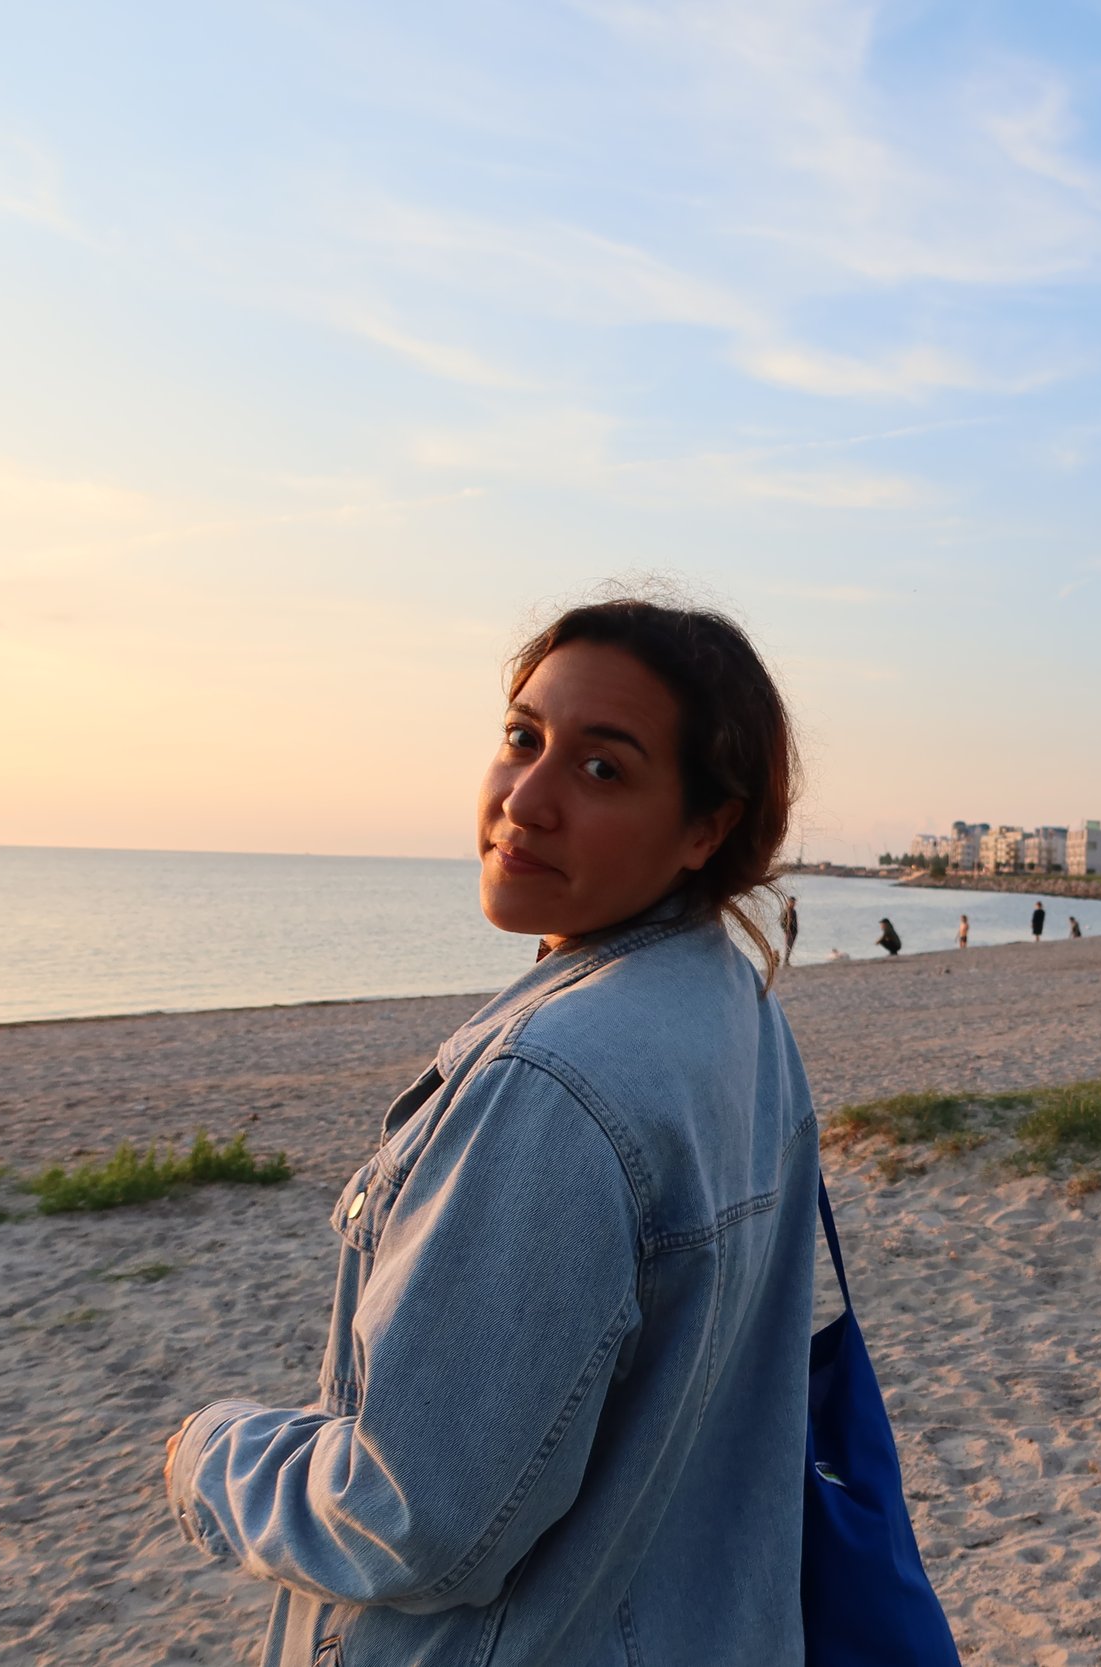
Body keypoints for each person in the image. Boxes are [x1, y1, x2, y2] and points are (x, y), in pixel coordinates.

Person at [160, 598, 821, 1666]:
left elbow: (412, 1522)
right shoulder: (732, 1006)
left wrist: (210, 1455)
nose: (527, 798)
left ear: (705, 827)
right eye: (523, 737)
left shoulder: (554, 1082)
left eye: (602, 769)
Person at [780, 893, 799, 964]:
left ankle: (787, 960)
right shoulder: (786, 911)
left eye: (794, 902)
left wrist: (796, 930)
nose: (793, 904)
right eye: (792, 902)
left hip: (794, 932)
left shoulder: (794, 911)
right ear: (789, 902)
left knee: (790, 946)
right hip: (788, 932)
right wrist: (785, 930)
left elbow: (795, 922)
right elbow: (781, 922)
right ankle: (785, 960)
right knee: (788, 946)